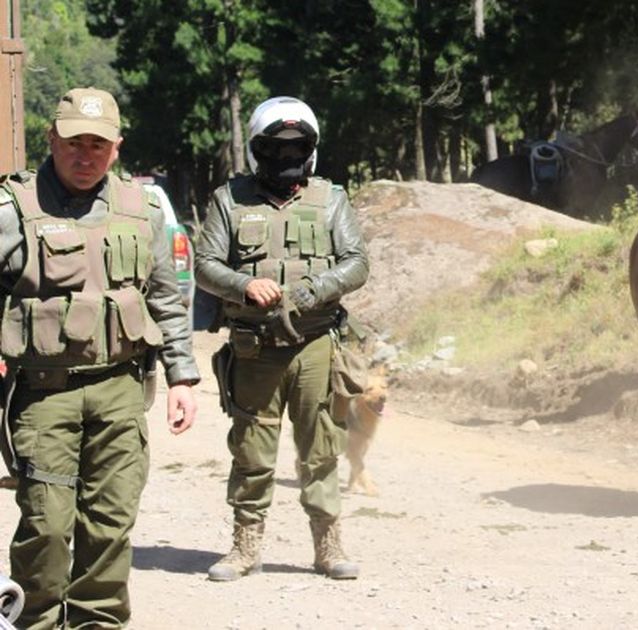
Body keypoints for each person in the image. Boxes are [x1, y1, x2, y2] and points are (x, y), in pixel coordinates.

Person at [0, 87, 199, 629]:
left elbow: (165, 297)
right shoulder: (15, 209)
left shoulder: (143, 209)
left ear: (116, 148)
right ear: (51, 139)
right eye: (73, 143)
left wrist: (182, 375)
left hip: (120, 387)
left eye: (98, 144)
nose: (84, 155)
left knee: (110, 525)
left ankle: (97, 623)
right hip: (44, 393)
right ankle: (34, 621)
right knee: (46, 525)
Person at [195, 96, 368, 582]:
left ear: (311, 151)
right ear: (258, 149)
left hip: (315, 345)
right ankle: (245, 545)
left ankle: (328, 543)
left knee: (322, 448)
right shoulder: (229, 201)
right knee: (251, 448)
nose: (287, 159)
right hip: (254, 347)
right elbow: (205, 266)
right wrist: (243, 285)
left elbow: (357, 261)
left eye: (297, 149)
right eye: (277, 148)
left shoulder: (331, 199)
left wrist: (317, 288)